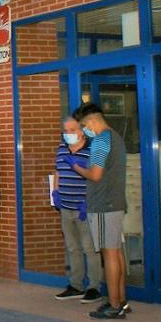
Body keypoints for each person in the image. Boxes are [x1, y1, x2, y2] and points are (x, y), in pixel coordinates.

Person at [72, 102, 130, 320]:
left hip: (104, 204)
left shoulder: (101, 140)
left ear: (91, 121)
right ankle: (121, 301)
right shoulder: (115, 137)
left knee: (109, 253)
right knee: (116, 252)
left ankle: (114, 304)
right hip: (115, 203)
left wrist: (77, 167)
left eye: (84, 126)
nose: (84, 131)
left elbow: (95, 175)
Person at [53, 117, 102, 302]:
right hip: (65, 207)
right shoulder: (61, 149)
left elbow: (97, 178)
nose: (68, 134)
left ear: (81, 132)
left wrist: (88, 201)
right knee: (72, 248)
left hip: (84, 208)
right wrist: (55, 192)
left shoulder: (91, 151)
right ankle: (76, 285)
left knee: (90, 248)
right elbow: (57, 171)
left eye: (72, 130)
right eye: (65, 131)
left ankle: (94, 287)